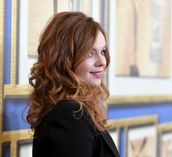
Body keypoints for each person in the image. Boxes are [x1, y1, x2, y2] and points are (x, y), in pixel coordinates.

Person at [27, 11, 119, 157]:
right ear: (65, 58)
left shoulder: (70, 110)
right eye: (90, 53)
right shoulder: (70, 114)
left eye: (103, 51)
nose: (102, 61)